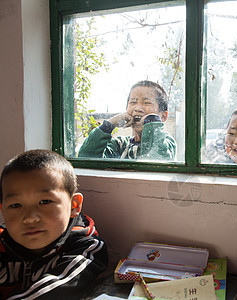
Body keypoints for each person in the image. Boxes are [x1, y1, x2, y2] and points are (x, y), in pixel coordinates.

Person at [0, 149, 108, 299]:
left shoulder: (86, 248)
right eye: (16, 205)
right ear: (3, 210)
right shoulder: (2, 243)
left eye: (45, 202)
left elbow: (56, 290)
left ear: (74, 206)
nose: (30, 218)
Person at [78, 80, 176, 160]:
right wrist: (109, 125)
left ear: (163, 116)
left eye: (147, 103)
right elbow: (85, 156)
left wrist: (151, 122)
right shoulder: (120, 145)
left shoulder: (166, 142)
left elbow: (157, 158)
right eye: (133, 102)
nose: (137, 108)